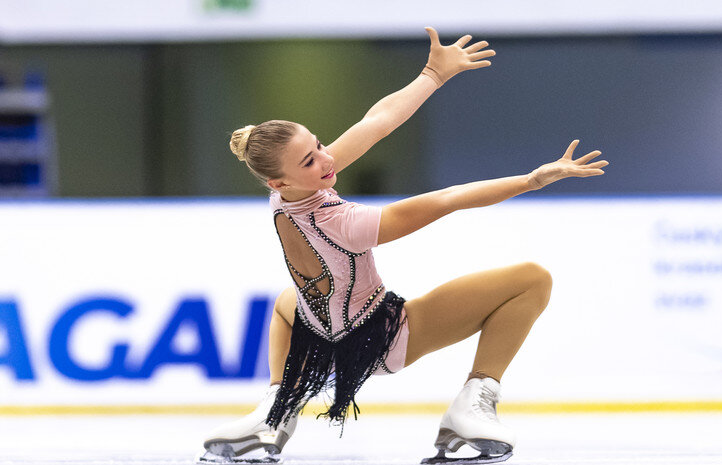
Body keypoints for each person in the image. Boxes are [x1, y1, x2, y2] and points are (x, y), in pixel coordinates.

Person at [200, 26, 608, 465]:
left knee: (287, 301)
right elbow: (448, 199)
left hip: (320, 336)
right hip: (379, 338)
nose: (327, 158)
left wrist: (433, 73)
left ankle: (276, 411)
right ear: (281, 179)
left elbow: (375, 123)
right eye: (310, 159)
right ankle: (471, 408)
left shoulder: (283, 199)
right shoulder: (343, 223)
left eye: (319, 146)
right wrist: (531, 180)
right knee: (531, 280)